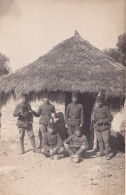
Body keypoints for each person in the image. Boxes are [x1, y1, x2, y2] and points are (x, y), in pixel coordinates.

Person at [93, 95, 113, 160]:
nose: (99, 103)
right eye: (98, 102)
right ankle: (101, 152)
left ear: (102, 102)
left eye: (100, 102)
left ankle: (107, 154)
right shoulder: (95, 109)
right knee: (100, 141)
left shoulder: (106, 108)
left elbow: (110, 117)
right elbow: (94, 117)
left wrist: (103, 121)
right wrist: (95, 121)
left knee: (106, 141)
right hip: (97, 128)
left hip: (104, 128)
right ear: (96, 102)